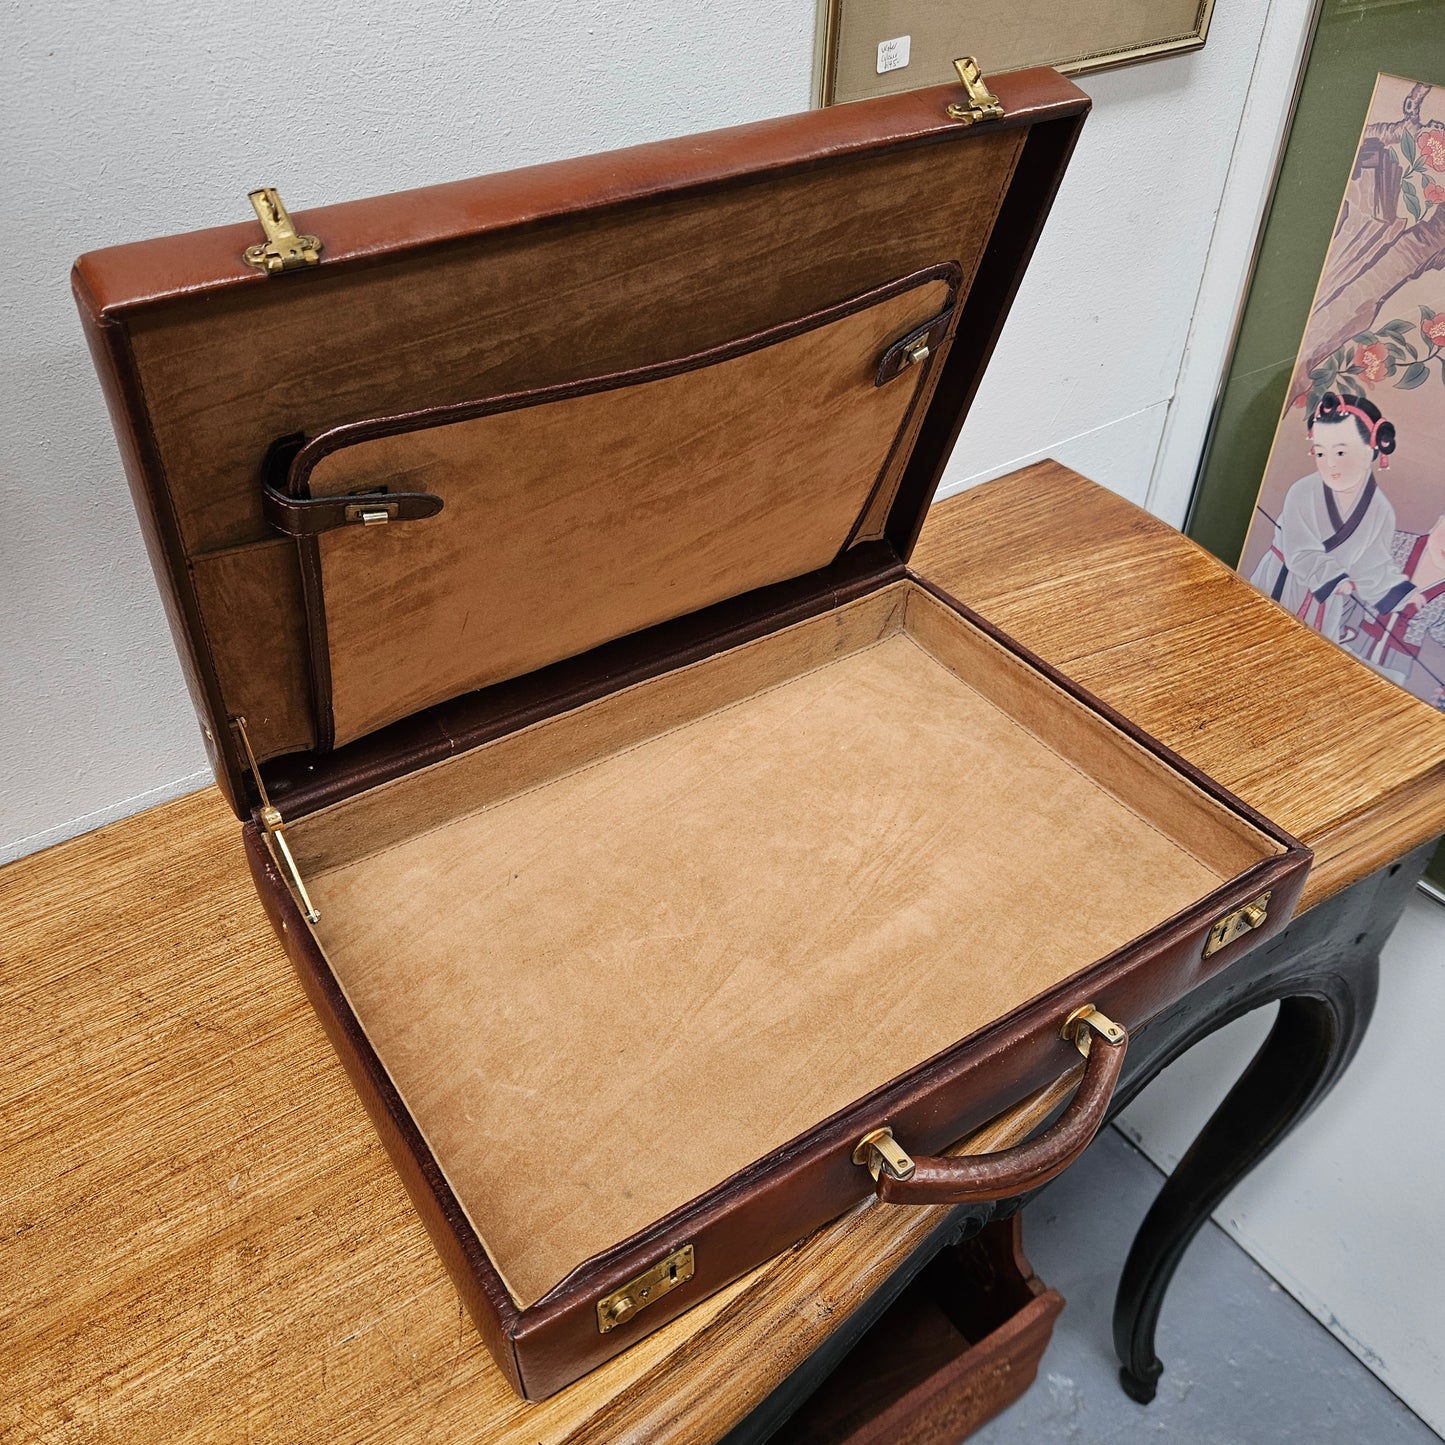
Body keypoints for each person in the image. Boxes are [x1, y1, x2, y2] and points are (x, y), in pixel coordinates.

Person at [1250, 392, 1413, 642]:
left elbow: (1373, 561)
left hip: (1327, 601)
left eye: (1340, 453)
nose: (1330, 464)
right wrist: (1334, 578)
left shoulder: (1380, 510)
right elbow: (1300, 551)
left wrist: (1398, 593)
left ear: (1372, 449)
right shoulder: (1302, 492)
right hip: (1283, 582)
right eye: (1321, 453)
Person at [1351, 515, 1445, 691]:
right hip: (1355, 642)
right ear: (1438, 523)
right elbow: (1358, 571)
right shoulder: (1395, 542)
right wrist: (1399, 594)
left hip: (1397, 664)